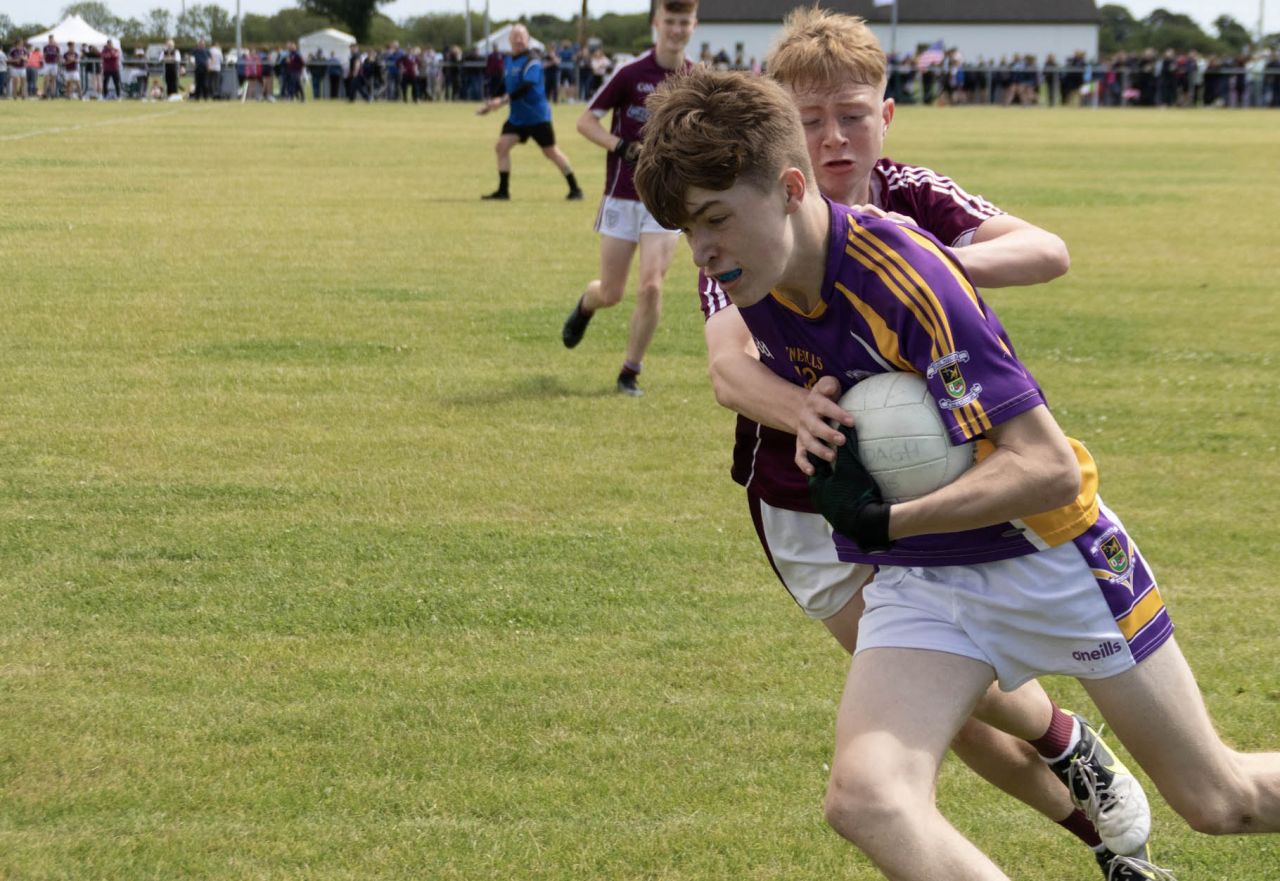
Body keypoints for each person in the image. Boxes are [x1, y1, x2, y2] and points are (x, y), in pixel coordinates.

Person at [636, 64, 1280, 881]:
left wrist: (885, 520)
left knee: (1220, 799)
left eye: (715, 220)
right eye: (689, 231)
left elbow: (1045, 468)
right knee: (868, 798)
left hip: (1045, 554)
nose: (705, 252)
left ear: (790, 187)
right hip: (926, 578)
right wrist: (824, 439)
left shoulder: (903, 274)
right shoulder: (752, 275)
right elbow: (736, 372)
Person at [688, 11, 1156, 880]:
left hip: (939, 486)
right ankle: (1083, 784)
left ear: (886, 116)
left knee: (935, 700)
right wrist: (807, 411)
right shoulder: (752, 220)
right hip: (806, 501)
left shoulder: (910, 197)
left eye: (852, 115)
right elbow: (729, 371)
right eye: (811, 119)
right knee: (950, 714)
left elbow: (1048, 250)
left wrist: (913, 265)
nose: (834, 138)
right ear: (783, 140)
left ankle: (1096, 806)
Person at [559, 0, 698, 397]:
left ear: (694, 25)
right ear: (657, 23)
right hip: (622, 196)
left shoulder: (696, 78)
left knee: (652, 285)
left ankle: (629, 373)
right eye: (669, 21)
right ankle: (588, 302)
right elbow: (586, 121)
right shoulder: (631, 73)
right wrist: (620, 146)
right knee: (613, 292)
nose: (676, 29)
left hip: (666, 200)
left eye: (683, 22)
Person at [476, 24, 583, 203]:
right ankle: (503, 192)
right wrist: (491, 103)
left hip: (537, 117)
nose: (518, 40)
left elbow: (526, 86)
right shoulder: (509, 60)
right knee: (501, 146)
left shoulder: (532, 60)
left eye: (521, 36)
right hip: (517, 118)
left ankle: (575, 189)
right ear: (509, 39)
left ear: (528, 39)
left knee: (551, 152)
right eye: (515, 36)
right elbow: (506, 84)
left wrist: (501, 101)